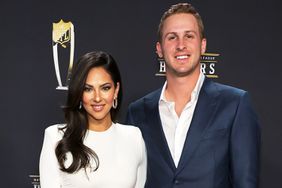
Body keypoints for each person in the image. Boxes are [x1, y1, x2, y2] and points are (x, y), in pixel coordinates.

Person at [126, 3, 260, 188]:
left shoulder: (235, 104)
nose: (181, 45)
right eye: (172, 37)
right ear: (159, 49)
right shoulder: (137, 112)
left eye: (189, 36)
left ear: (202, 45)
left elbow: (245, 183)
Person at [40, 51, 147, 188]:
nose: (97, 98)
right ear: (79, 93)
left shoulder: (134, 137)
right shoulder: (55, 137)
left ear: (116, 90)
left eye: (105, 88)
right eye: (88, 89)